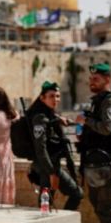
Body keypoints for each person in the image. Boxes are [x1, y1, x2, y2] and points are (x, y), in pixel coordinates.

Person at [76, 63, 111, 223]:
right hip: (95, 164)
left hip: (108, 165)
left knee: (107, 210)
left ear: (107, 80)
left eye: (96, 79)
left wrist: (86, 121)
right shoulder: (97, 102)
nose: (92, 82)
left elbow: (106, 128)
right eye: (90, 79)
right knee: (99, 208)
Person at [27, 81, 83, 210]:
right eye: (51, 96)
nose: (56, 99)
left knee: (72, 195)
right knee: (46, 204)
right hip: (46, 167)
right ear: (42, 98)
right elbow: (40, 148)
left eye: (57, 96)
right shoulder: (40, 118)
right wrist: (51, 173)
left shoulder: (50, 115)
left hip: (53, 165)